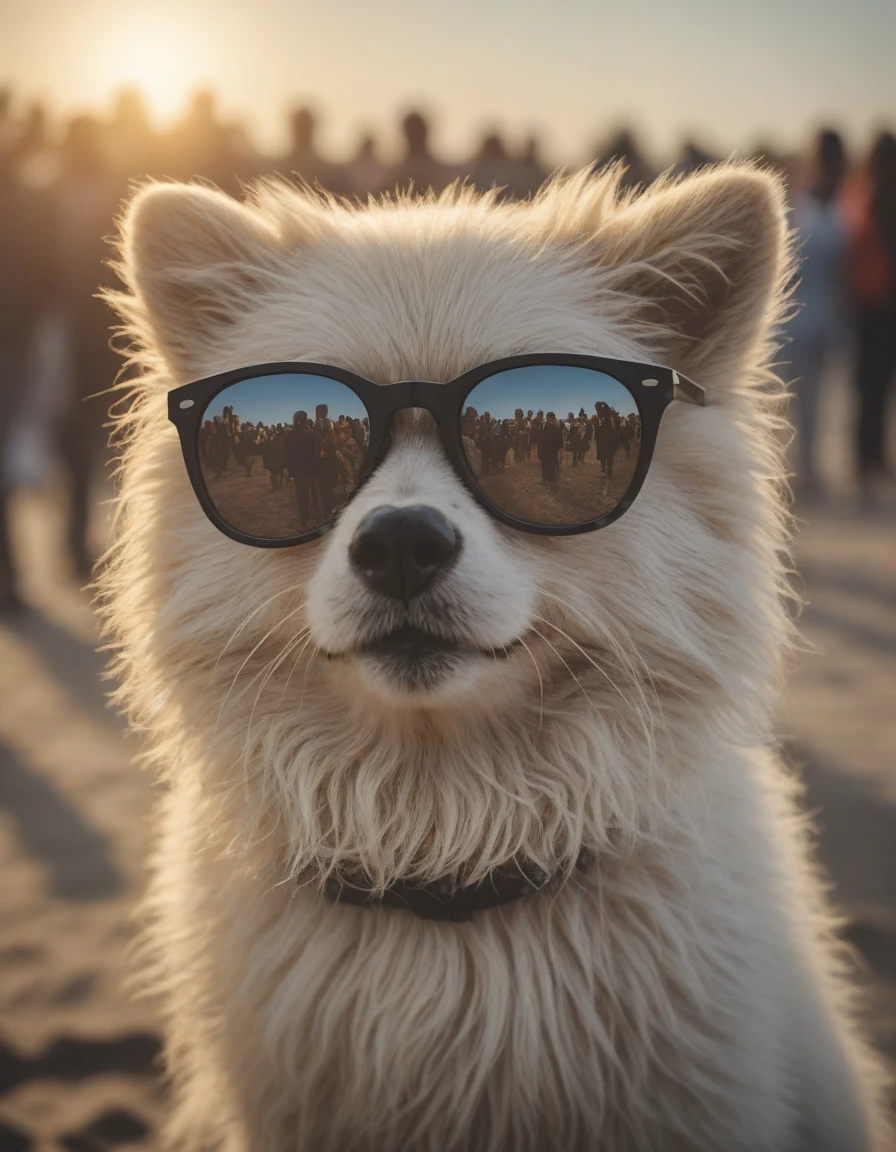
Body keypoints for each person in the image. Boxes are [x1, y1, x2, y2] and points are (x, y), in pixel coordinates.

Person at [787, 129, 849, 496]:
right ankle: (785, 475)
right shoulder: (798, 206)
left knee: (815, 403)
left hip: (827, 317)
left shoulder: (840, 207)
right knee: (787, 405)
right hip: (795, 321)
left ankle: (808, 471)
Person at [843, 131, 896, 491]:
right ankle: (867, 457)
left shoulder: (861, 195)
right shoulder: (869, 197)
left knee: (871, 387)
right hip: (875, 307)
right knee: (873, 387)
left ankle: (869, 457)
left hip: (870, 307)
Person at [284, 411, 317, 527]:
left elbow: (287, 455)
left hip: (297, 470)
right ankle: (316, 514)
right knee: (312, 492)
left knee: (300, 495)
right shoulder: (311, 434)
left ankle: (304, 517)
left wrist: (288, 470)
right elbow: (315, 453)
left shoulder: (289, 435)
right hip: (310, 469)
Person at [538, 411, 564, 485]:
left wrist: (540, 451)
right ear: (552, 418)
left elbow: (540, 440)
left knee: (545, 466)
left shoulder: (543, 427)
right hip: (554, 451)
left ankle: (546, 480)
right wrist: (557, 448)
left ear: (547, 418)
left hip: (544, 451)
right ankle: (554, 480)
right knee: (554, 465)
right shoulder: (557, 429)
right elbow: (560, 443)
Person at [595, 408, 619, 477]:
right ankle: (609, 472)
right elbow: (616, 440)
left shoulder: (599, 429)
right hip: (610, 448)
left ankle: (603, 470)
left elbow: (597, 439)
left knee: (602, 459)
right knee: (610, 460)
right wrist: (614, 447)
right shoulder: (613, 430)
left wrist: (600, 444)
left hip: (602, 447)